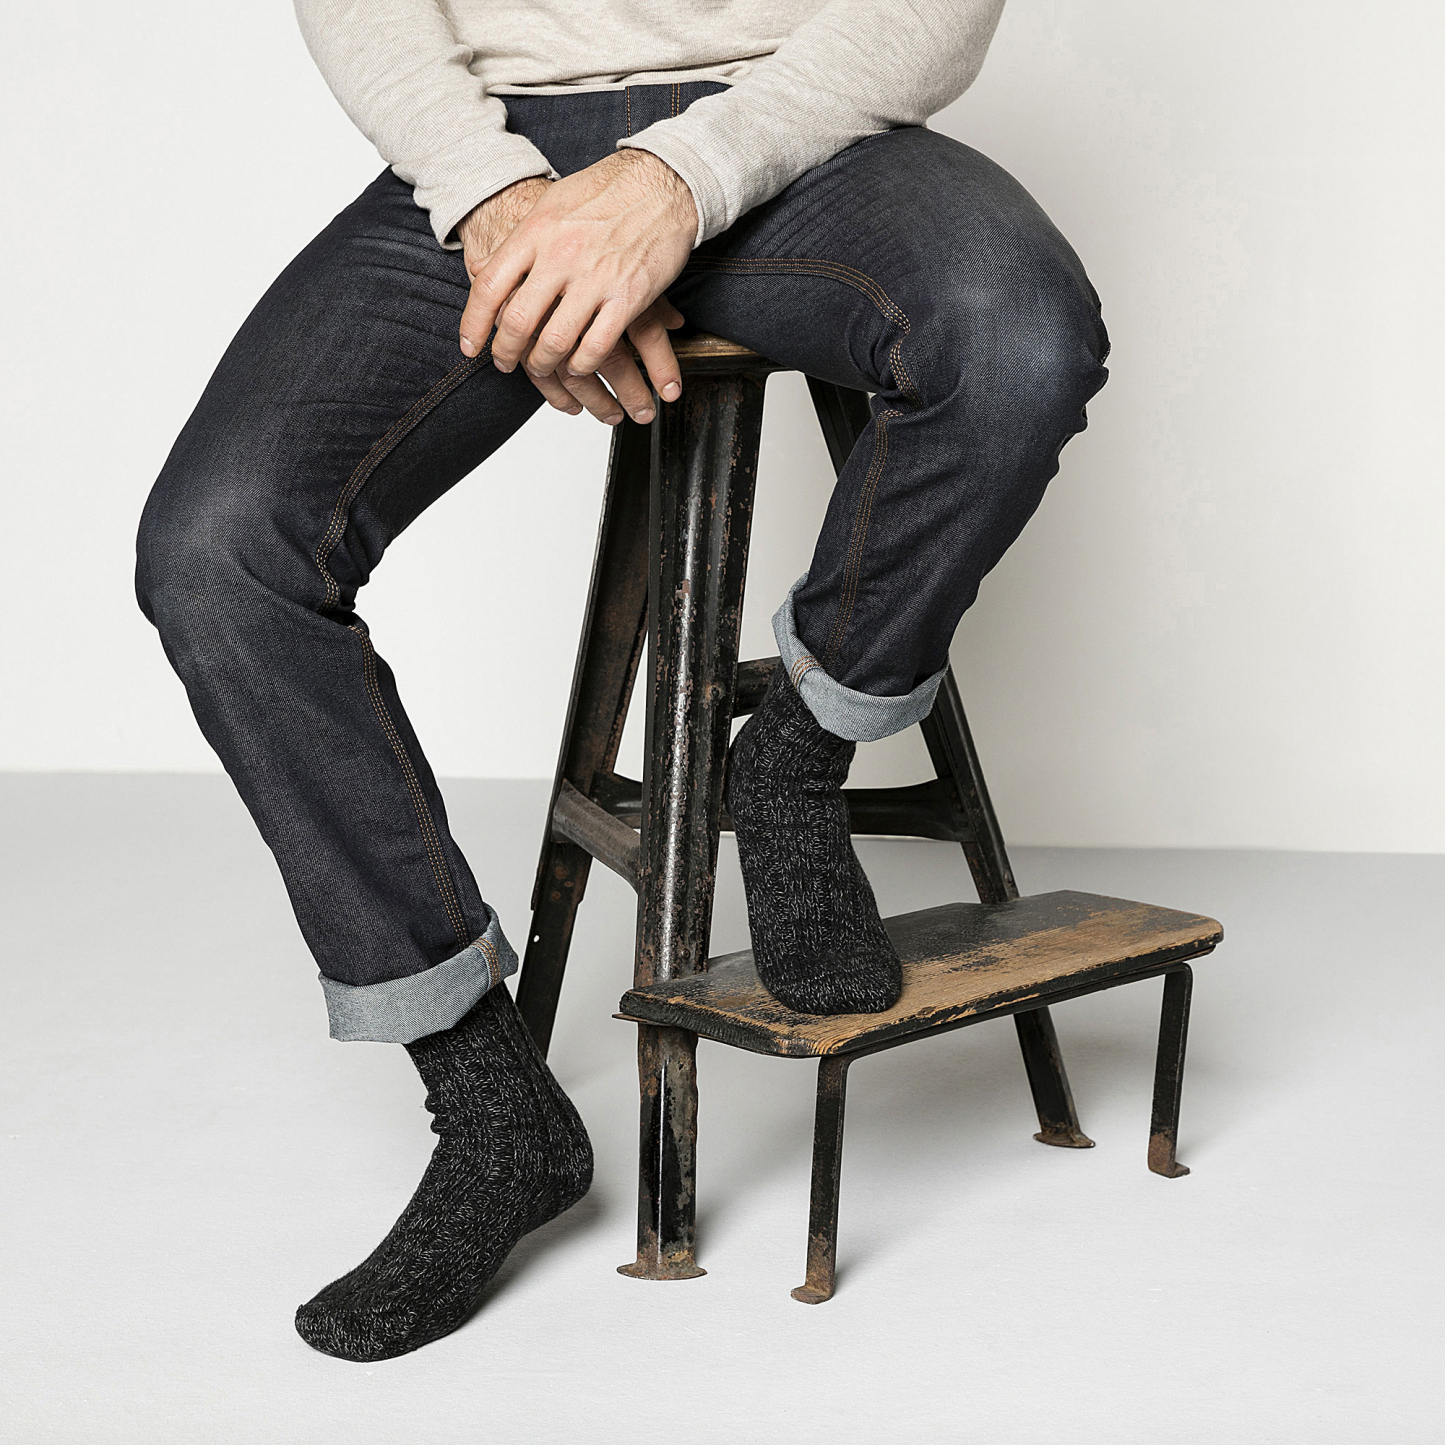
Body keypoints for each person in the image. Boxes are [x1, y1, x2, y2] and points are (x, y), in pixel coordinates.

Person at [135, 0, 1108, 1362]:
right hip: (493, 151)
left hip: (801, 130)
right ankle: (491, 1107)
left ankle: (789, 758)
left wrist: (672, 184)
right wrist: (497, 201)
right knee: (217, 552)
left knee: (1015, 338)